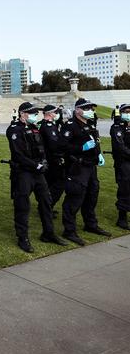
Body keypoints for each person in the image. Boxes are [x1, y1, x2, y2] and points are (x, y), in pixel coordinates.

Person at [6, 102, 67, 253]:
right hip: (24, 172)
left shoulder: (34, 128)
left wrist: (44, 161)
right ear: (22, 114)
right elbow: (18, 154)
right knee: (22, 205)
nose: (35, 115)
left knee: (46, 202)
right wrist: (35, 165)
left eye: (35, 113)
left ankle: (48, 233)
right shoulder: (14, 130)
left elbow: (42, 149)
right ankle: (23, 238)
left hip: (38, 172)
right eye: (32, 113)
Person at [60, 98, 111, 245]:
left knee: (92, 195)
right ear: (77, 110)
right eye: (87, 108)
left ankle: (90, 224)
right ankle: (69, 230)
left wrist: (99, 153)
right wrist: (81, 148)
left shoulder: (89, 124)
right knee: (75, 197)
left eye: (91, 108)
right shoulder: (70, 126)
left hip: (91, 166)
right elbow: (62, 147)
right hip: (78, 167)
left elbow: (96, 141)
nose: (91, 111)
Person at [39, 105, 66, 216]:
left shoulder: (45, 124)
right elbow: (54, 144)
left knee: (49, 184)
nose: (57, 113)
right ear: (50, 113)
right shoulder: (48, 126)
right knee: (58, 184)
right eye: (56, 112)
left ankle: (45, 207)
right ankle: (47, 206)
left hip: (48, 158)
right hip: (52, 159)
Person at [111, 104, 130, 230]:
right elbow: (120, 147)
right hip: (124, 163)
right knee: (125, 189)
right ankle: (122, 218)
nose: (128, 113)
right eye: (126, 111)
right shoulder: (117, 127)